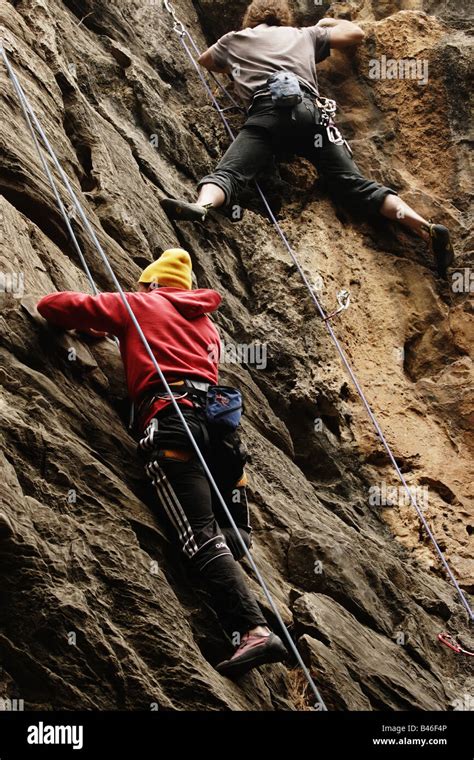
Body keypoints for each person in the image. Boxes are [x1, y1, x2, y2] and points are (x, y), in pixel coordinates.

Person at [36, 248, 287, 678]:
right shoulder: (207, 326)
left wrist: (101, 323)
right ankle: (232, 571)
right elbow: (164, 345)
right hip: (221, 437)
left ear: (152, 284)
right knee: (230, 532)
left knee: (198, 538)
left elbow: (52, 306)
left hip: (174, 427)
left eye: (141, 285)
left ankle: (252, 630)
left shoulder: (141, 304)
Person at [161, 0, 454, 279]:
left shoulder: (235, 40)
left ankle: (203, 206)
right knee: (355, 184)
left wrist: (238, 67)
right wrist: (328, 22)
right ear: (284, 15)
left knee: (230, 173)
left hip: (269, 114)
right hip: (313, 115)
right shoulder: (304, 34)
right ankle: (424, 227)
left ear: (251, 17)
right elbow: (355, 33)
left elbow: (206, 59)